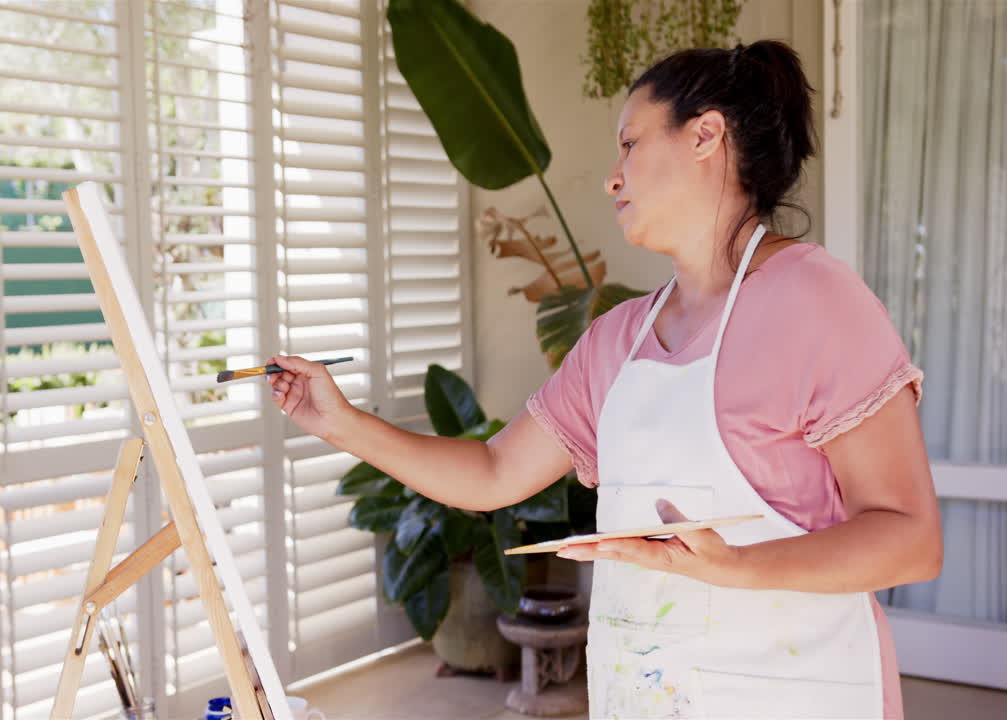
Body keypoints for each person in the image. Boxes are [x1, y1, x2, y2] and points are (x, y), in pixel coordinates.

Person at [264, 39, 941, 720]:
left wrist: (735, 566)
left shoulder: (818, 303)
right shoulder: (619, 339)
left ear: (706, 135)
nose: (613, 178)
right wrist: (343, 423)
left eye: (630, 144)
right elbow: (495, 473)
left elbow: (912, 539)